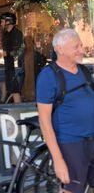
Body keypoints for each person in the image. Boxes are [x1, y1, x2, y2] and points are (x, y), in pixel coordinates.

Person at [37, 29, 94, 193]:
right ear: (60, 49)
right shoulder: (48, 76)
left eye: (81, 46)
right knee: (72, 189)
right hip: (71, 144)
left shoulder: (83, 71)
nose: (81, 50)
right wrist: (58, 159)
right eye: (76, 47)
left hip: (91, 140)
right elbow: (45, 121)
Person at [1, 12, 24, 103]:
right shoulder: (6, 33)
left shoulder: (17, 33)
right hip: (8, 65)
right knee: (7, 84)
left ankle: (19, 109)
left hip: (15, 65)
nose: (1, 23)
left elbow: (20, 50)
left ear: (8, 21)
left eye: (3, 21)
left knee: (15, 89)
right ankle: (3, 101)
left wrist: (7, 53)